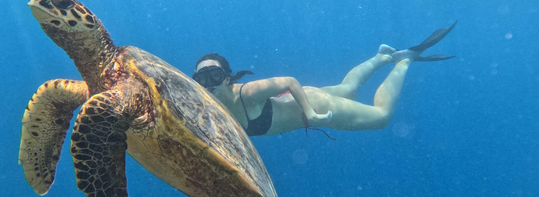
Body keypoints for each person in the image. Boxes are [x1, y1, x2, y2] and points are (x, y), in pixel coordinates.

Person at [192, 22, 456, 136]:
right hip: (303, 100)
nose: (209, 84)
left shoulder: (247, 93)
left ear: (227, 78)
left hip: (314, 106)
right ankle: (382, 56)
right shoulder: (209, 109)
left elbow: (289, 81)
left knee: (382, 117)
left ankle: (404, 60)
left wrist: (311, 113)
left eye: (214, 75)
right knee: (348, 88)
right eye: (201, 79)